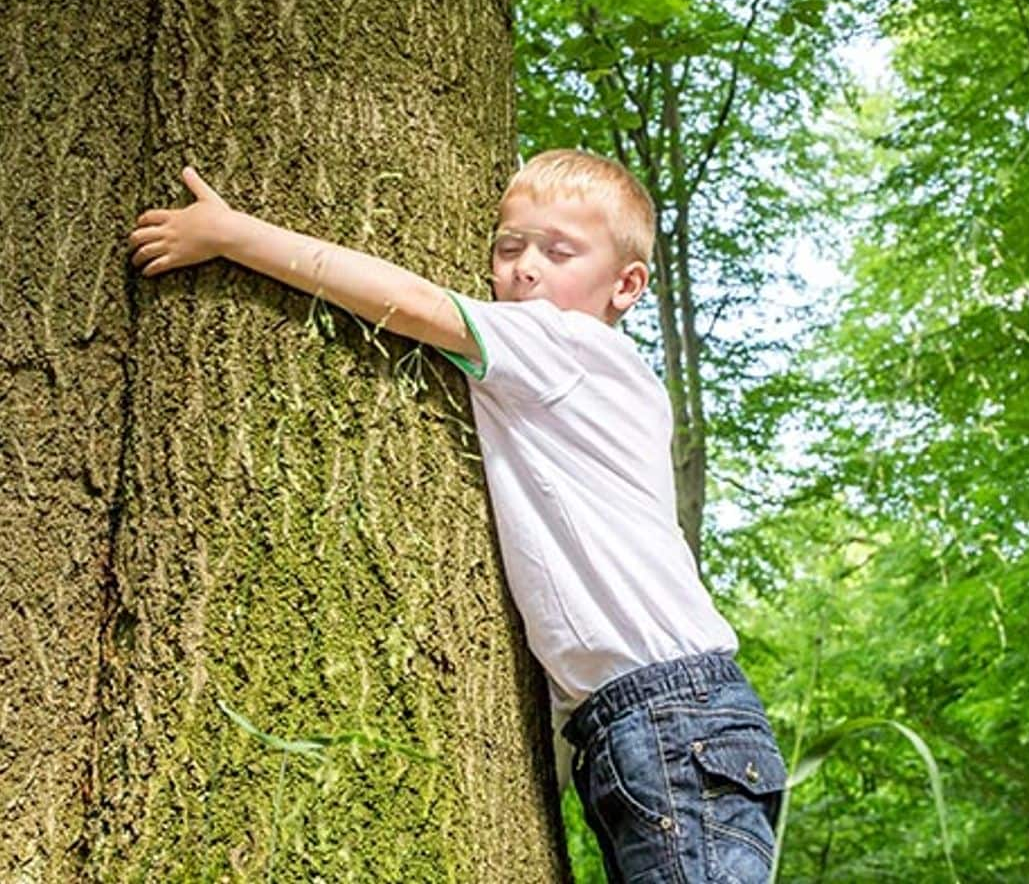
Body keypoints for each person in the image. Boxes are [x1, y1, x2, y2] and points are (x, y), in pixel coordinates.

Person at [129, 148, 787, 882]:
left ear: (626, 285)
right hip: (659, 720)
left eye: (560, 251)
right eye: (509, 247)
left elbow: (410, 304)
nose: (525, 268)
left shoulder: (562, 344)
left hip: (669, 720)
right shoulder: (591, 376)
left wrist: (233, 236)